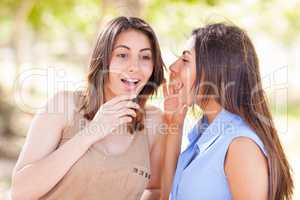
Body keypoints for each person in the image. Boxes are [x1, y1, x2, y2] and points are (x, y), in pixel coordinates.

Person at [11, 16, 165, 200]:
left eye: (145, 57)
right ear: (103, 60)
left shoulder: (154, 121)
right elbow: (20, 192)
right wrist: (92, 132)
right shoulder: (64, 106)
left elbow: (155, 190)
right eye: (122, 55)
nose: (134, 67)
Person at [162, 23, 294, 200]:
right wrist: (175, 123)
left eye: (185, 60)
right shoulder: (204, 134)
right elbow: (170, 195)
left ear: (215, 70)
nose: (172, 67)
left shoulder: (241, 146)